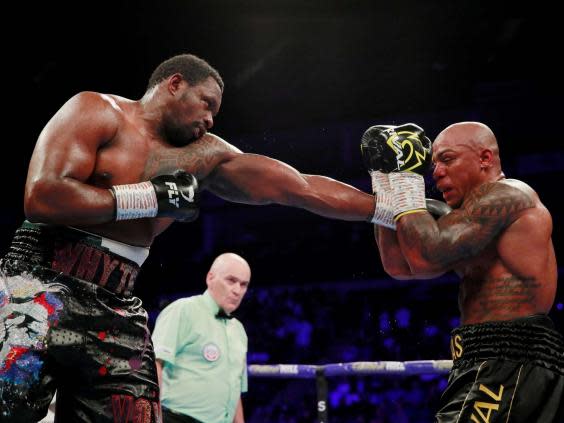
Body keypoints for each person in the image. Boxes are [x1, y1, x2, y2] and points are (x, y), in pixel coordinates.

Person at [0, 53, 388, 422]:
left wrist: (386, 208)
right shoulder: (96, 110)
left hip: (116, 303)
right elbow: (42, 197)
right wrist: (148, 197)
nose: (211, 119)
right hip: (37, 285)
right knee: (9, 408)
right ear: (175, 84)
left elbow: (297, 187)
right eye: (206, 104)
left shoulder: (204, 158)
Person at [361, 121, 564, 422]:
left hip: (507, 358)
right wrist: (384, 177)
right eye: (432, 165)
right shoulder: (464, 222)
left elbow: (429, 254)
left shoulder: (509, 196)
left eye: (447, 159)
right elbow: (401, 265)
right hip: (486, 359)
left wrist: (405, 178)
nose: (436, 172)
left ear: (485, 159)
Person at [152, 253, 251, 423]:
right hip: (176, 418)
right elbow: (154, 367)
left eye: (243, 284)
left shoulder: (239, 330)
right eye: (231, 280)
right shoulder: (183, 310)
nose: (237, 290)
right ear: (210, 278)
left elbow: (235, 389)